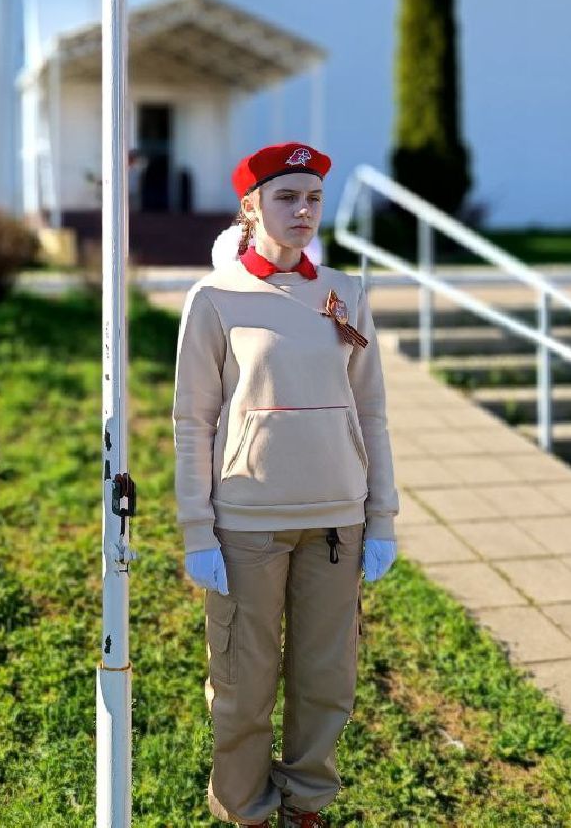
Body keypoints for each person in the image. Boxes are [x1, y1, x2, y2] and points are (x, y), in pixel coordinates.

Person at [173, 142, 399, 827]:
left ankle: (307, 804)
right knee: (243, 683)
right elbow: (192, 422)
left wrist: (381, 518)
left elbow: (373, 412)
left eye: (312, 198)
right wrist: (197, 530)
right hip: (247, 523)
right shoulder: (214, 299)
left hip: (337, 520)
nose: (302, 211)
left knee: (326, 680)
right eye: (285, 198)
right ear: (250, 207)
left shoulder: (346, 292)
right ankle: (243, 808)